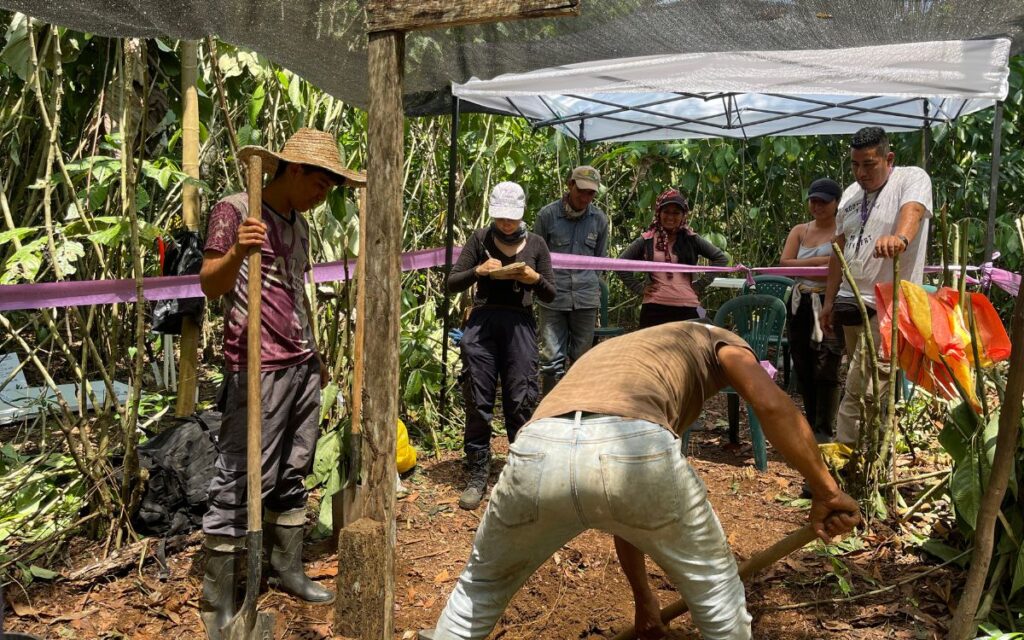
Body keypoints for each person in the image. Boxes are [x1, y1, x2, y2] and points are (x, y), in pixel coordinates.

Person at [420, 321, 861, 640]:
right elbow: (772, 405)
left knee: (479, 591)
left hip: (538, 446)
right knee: (718, 598)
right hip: (633, 444)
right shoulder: (721, 342)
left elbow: (626, 513)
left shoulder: (625, 353)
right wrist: (825, 490)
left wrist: (645, 603)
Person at [198, 129, 363, 639]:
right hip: (258, 366)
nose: (323, 197)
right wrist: (235, 254)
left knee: (295, 466)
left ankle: (287, 568)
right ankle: (219, 601)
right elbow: (209, 283)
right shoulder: (235, 210)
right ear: (293, 171)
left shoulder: (300, 226)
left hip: (299, 362)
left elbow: (297, 290)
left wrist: (316, 355)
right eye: (320, 185)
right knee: (242, 476)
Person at [819, 126, 932, 448]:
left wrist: (901, 238)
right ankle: (875, 453)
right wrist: (828, 300)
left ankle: (844, 462)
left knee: (861, 388)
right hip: (850, 302)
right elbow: (838, 252)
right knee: (868, 386)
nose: (861, 172)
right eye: (855, 165)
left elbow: (914, 210)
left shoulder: (912, 178)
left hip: (889, 304)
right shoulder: (852, 195)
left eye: (869, 164)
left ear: (888, 158)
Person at [446, 181, 556, 510]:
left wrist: (533, 279)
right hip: (482, 323)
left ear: (522, 214)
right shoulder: (479, 239)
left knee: (521, 396)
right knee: (478, 394)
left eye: (512, 218)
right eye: (501, 218)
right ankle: (478, 470)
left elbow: (552, 293)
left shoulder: (536, 243)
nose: (506, 224)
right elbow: (450, 282)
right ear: (494, 214)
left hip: (519, 323)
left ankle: (521, 470)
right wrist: (478, 271)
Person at [533, 165, 609, 393]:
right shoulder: (547, 216)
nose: (585, 197)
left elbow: (600, 261)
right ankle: (551, 411)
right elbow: (536, 256)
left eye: (591, 193)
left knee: (582, 358)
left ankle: (577, 408)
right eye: (581, 191)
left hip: (586, 300)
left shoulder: (599, 220)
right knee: (551, 359)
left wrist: (589, 285)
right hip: (553, 298)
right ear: (570, 185)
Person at [780, 178, 845, 443]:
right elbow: (785, 263)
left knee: (827, 366)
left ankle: (824, 432)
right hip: (800, 302)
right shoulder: (800, 230)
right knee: (803, 364)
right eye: (813, 200)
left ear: (836, 203)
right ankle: (809, 426)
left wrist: (809, 263)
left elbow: (842, 263)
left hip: (830, 302)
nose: (817, 206)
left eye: (823, 201)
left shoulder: (843, 230)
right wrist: (825, 261)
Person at [618, 188, 728, 327]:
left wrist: (700, 284)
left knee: (698, 344)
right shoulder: (647, 239)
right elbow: (619, 264)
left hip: (689, 306)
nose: (670, 217)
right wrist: (638, 287)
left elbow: (721, 259)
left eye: (676, 213)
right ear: (659, 213)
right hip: (654, 307)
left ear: (683, 215)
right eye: (666, 212)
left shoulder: (691, 239)